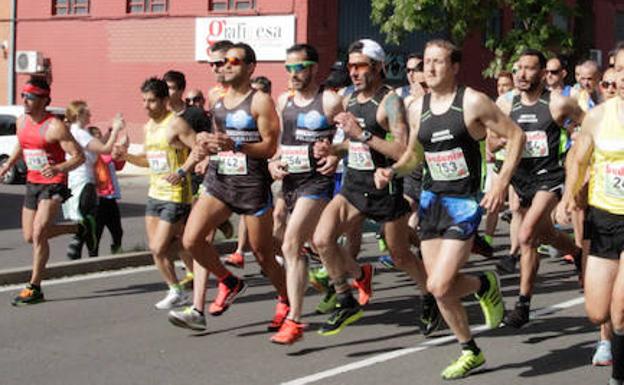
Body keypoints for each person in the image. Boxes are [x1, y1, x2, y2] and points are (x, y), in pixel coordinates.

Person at [376, 39, 525, 379]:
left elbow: (516, 136)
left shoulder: (472, 102)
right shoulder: (416, 107)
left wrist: (501, 183)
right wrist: (392, 170)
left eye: (438, 62)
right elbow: (415, 155)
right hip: (432, 202)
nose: (429, 68)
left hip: (465, 203)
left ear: (455, 67)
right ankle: (471, 347)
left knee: (441, 285)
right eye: (427, 61)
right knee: (436, 286)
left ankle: (484, 287)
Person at [312, 39, 433, 337]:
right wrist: (334, 149)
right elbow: (353, 143)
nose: (353, 72)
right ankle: (345, 299)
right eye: (351, 66)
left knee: (400, 255)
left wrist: (362, 134)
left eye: (361, 66)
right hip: (353, 184)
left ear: (378, 67)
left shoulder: (389, 101)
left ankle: (429, 296)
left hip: (384, 188)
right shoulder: (350, 98)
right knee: (322, 239)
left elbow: (403, 151)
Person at [180, 43, 288, 332]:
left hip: (251, 184)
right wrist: (208, 146)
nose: (224, 66)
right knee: (191, 240)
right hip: (220, 179)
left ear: (250, 67)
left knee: (263, 254)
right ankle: (229, 281)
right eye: (221, 62)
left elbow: (269, 147)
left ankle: (286, 299)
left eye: (233, 61)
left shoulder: (260, 101)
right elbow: (220, 136)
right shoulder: (216, 97)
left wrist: (237, 145)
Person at [497, 49, 584, 329]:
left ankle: (522, 305)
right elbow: (490, 142)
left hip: (549, 177)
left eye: (529, 68)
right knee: (544, 234)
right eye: (518, 68)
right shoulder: (505, 104)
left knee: (526, 234)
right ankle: (578, 253)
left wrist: (577, 145)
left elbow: (584, 125)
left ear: (543, 73)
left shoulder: (558, 104)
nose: (521, 74)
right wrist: (500, 143)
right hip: (521, 179)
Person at [556, 43, 624, 385]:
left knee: (622, 308)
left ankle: (619, 376)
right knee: (598, 311)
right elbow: (578, 159)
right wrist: (569, 193)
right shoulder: (598, 117)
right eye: (621, 71)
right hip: (604, 219)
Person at [266, 44, 342, 344]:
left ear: (314, 68)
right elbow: (280, 143)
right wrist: (273, 163)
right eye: (289, 68)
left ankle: (295, 320)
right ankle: (357, 274)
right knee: (303, 241)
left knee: (292, 243)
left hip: (317, 182)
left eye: (299, 67)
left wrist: (336, 155)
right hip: (290, 182)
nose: (293, 74)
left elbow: (351, 134)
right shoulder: (283, 101)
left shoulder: (330, 101)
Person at [0, 77, 88, 305]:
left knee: (39, 232)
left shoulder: (55, 127)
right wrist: (9, 164)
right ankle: (78, 227)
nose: (25, 101)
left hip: (54, 182)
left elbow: (79, 156)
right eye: (24, 96)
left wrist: (58, 168)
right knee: (30, 236)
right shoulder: (21, 122)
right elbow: (23, 143)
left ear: (44, 100)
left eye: (31, 97)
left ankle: (35, 287)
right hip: (33, 182)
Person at [122, 77, 201, 310]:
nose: (146, 106)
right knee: (162, 248)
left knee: (159, 247)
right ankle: (185, 283)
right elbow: (147, 161)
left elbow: (198, 148)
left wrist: (182, 170)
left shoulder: (176, 124)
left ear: (165, 101)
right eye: (144, 100)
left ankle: (180, 289)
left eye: (152, 101)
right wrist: (124, 155)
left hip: (176, 194)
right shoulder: (148, 127)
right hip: (154, 192)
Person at [62, 101, 123, 259]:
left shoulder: (76, 132)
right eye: (87, 113)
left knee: (85, 215)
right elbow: (105, 149)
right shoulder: (80, 133)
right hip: (85, 180)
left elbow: (97, 145)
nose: (90, 116)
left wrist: (109, 132)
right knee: (89, 218)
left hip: (77, 180)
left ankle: (79, 248)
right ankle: (79, 241)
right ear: (79, 115)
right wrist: (116, 130)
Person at [89, 126, 126, 255]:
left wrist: (122, 153)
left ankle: (116, 253)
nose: (100, 138)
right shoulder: (93, 154)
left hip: (110, 197)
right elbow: (109, 158)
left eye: (100, 135)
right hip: (98, 198)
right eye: (97, 136)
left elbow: (118, 165)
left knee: (117, 231)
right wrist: (115, 141)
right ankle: (93, 258)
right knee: (97, 232)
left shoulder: (105, 153)